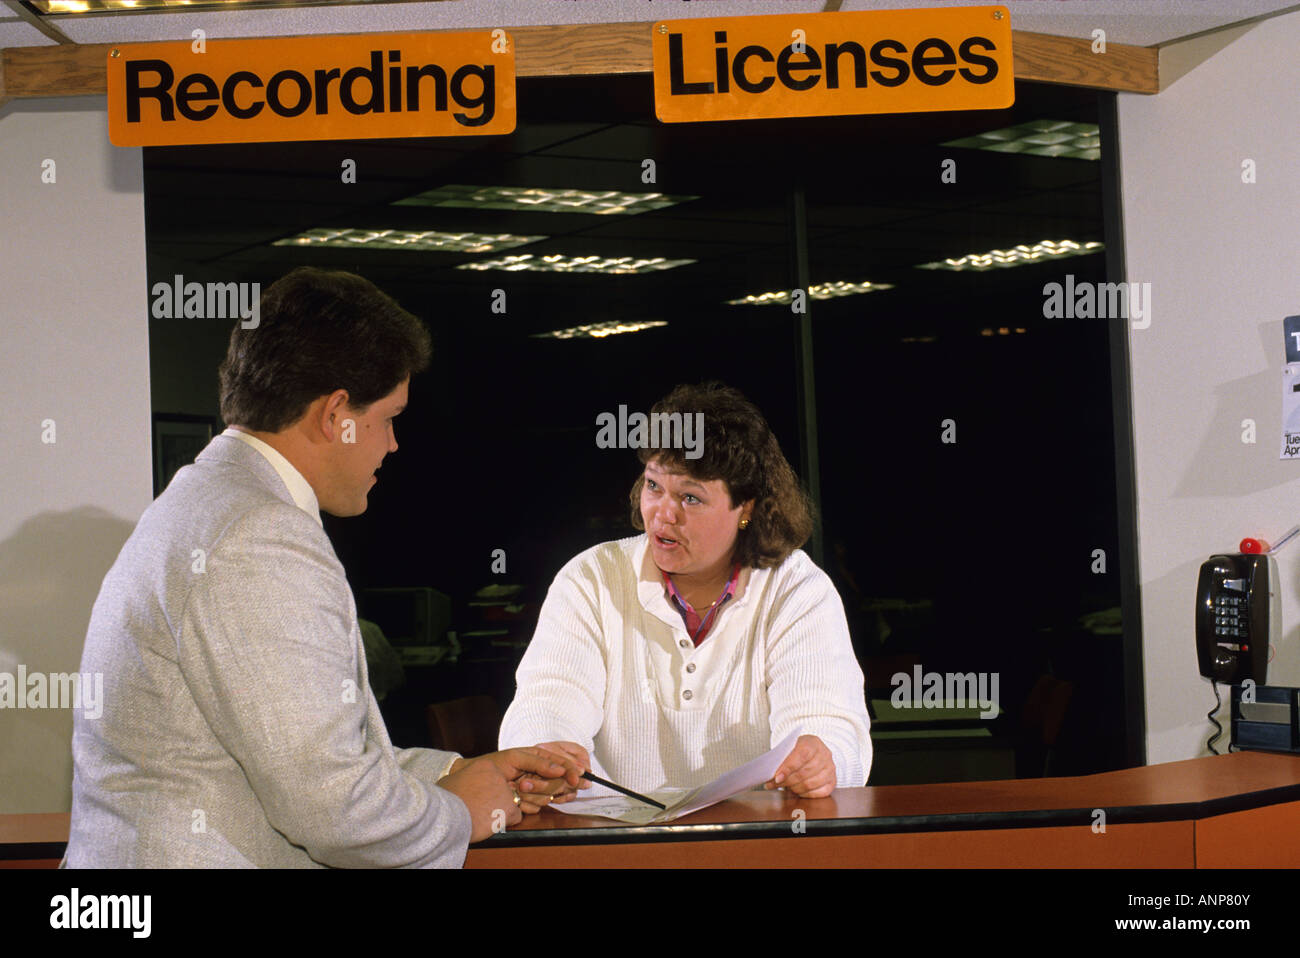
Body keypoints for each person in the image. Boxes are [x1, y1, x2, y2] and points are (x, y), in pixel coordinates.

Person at [65, 267, 582, 868]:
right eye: (389, 417)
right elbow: (332, 808)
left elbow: (291, 756)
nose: (392, 445)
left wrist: (461, 770)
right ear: (335, 412)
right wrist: (462, 811)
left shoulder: (205, 500)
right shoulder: (256, 536)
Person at [499, 383, 871, 799]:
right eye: (654, 486)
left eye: (690, 498)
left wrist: (823, 757)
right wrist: (548, 750)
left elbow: (830, 725)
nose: (663, 514)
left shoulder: (795, 590)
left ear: (745, 508)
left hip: (756, 844)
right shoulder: (591, 578)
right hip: (617, 843)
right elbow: (547, 701)